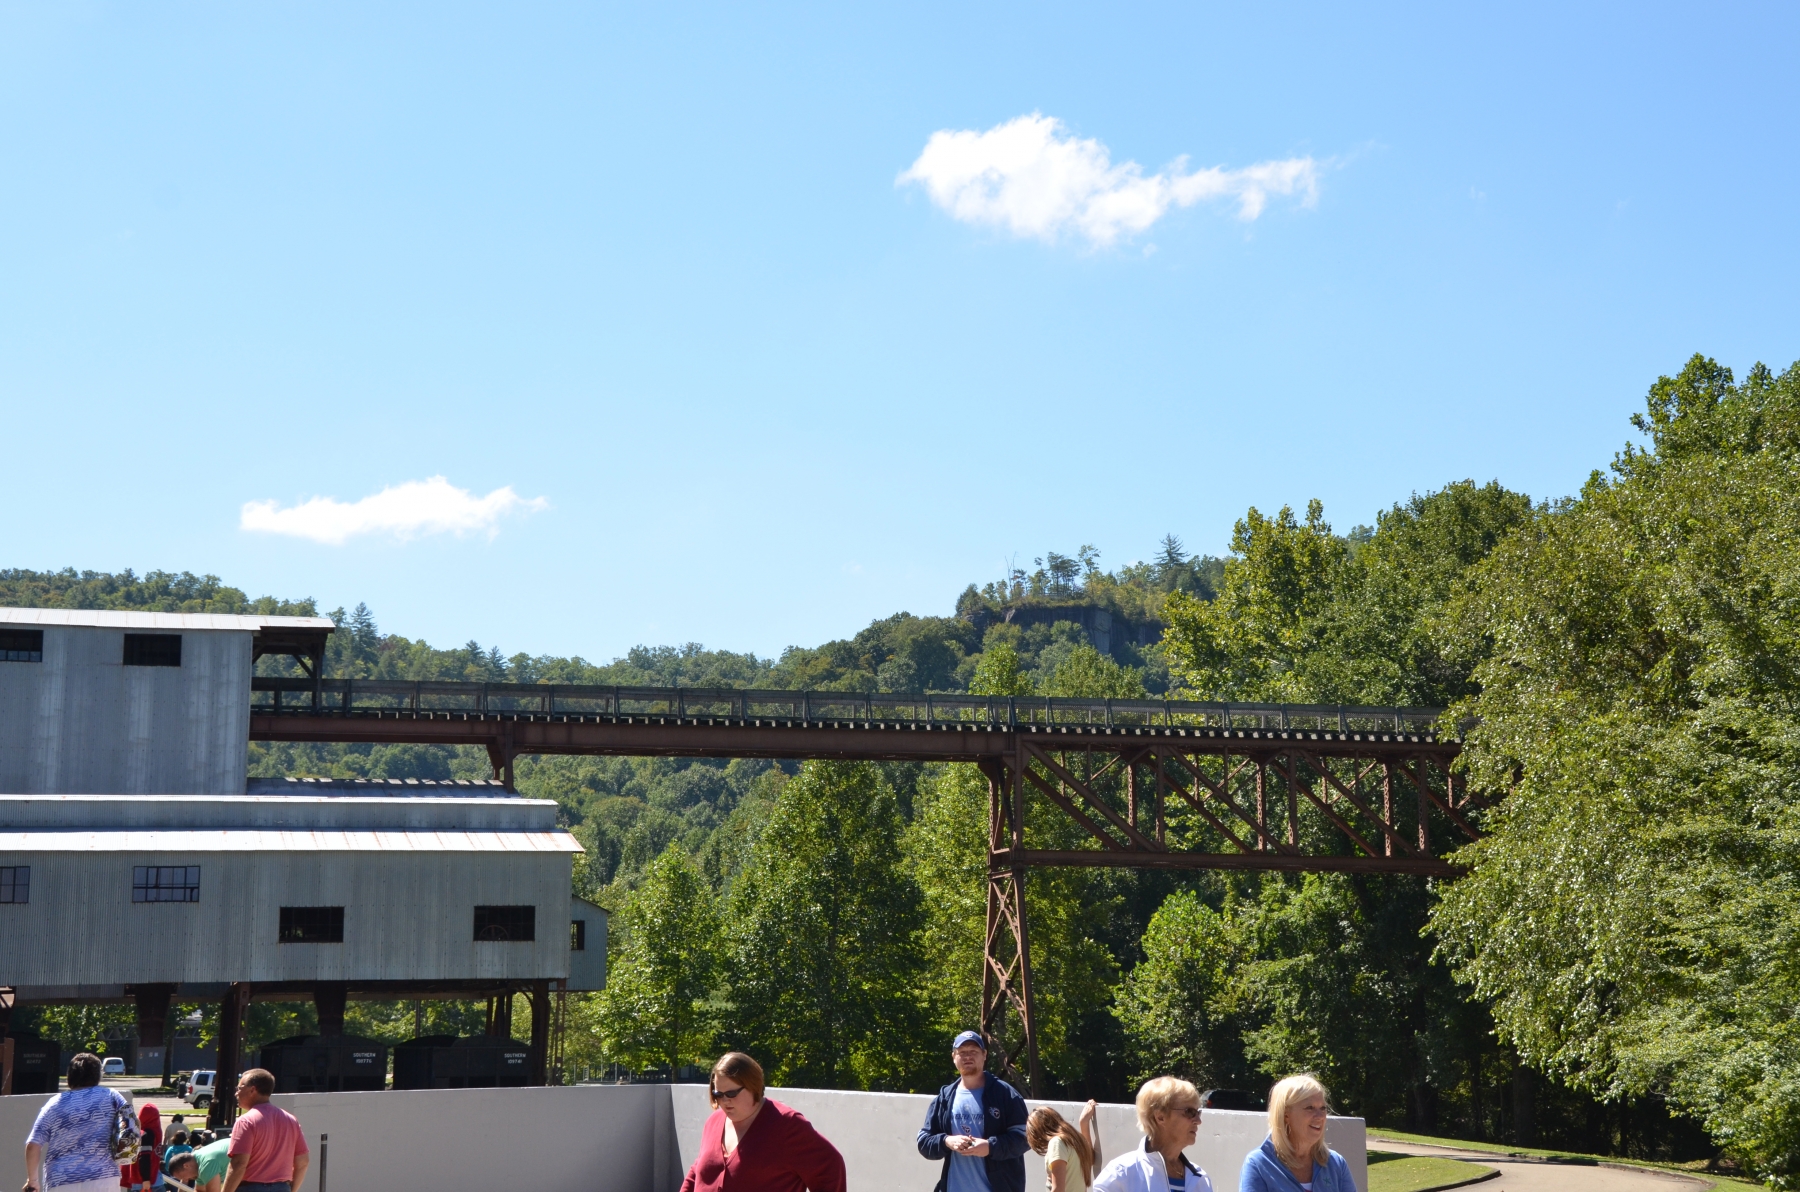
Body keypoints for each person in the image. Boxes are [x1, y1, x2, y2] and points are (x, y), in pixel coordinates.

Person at [678, 1052, 845, 1192]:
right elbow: (698, 1171)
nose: (724, 1101)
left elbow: (830, 1166)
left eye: (731, 1094)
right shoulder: (713, 1122)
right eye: (718, 1094)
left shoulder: (786, 1125)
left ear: (753, 1086)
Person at [917, 1031, 1030, 1192]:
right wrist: (946, 1141)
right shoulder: (945, 1098)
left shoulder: (1005, 1094)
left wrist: (990, 1146)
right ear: (954, 1057)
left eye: (973, 1051)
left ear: (984, 1055)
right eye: (962, 1052)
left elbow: (1026, 1138)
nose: (968, 1056)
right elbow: (924, 1141)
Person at [22, 1053, 138, 1192]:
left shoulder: (54, 1104)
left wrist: (32, 1181)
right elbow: (131, 1125)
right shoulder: (112, 1096)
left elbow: (33, 1145)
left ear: (70, 1076)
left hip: (61, 1181)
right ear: (97, 1076)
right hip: (104, 1178)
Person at [1090, 1077, 1212, 1192]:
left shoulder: (1200, 1179)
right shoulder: (1122, 1173)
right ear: (1160, 1117)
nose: (1198, 1121)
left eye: (1198, 1113)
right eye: (1190, 1112)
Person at [1237, 1075, 1353, 1192]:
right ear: (1285, 1114)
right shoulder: (1258, 1164)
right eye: (1310, 1108)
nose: (1320, 1116)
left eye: (1323, 1108)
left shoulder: (1336, 1163)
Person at [220, 1070, 308, 1192]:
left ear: (252, 1090)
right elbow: (303, 1162)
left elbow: (239, 1164)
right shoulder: (291, 1120)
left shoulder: (246, 1121)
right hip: (282, 1187)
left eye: (239, 1088)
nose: (236, 1093)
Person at [1026, 1104, 1101, 1192]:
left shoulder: (1056, 1142)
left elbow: (1058, 1189)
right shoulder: (1073, 1139)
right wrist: (1084, 1123)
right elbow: (1090, 1158)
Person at [125, 1106, 161, 1192]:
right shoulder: (147, 1134)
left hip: (144, 1179)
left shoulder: (138, 1132)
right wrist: (146, 1179)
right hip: (147, 1181)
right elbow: (144, 1156)